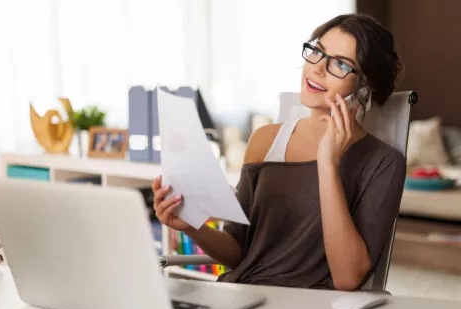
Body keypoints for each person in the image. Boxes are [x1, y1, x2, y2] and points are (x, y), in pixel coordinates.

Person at [152, 13, 406, 291]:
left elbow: (347, 278)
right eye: (318, 52)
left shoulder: (384, 163)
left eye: (340, 64)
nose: (318, 69)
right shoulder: (265, 140)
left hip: (309, 308)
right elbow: (238, 253)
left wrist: (327, 165)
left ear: (366, 86)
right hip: (244, 295)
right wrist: (189, 225)